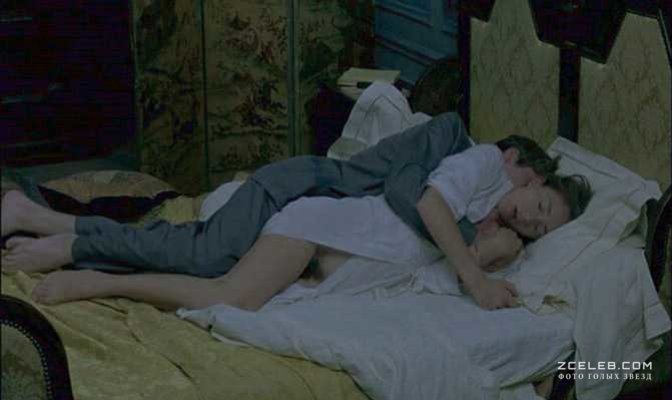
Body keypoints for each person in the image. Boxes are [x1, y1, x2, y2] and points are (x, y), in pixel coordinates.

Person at [1, 135, 592, 311]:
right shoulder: (479, 160)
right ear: (526, 173)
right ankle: (93, 273)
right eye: (538, 203)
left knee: (202, 259)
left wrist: (501, 246)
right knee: (219, 281)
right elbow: (428, 202)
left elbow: (448, 244)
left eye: (541, 228)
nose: (528, 217)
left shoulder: (486, 220)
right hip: (318, 219)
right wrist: (477, 277)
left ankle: (60, 232)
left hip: (330, 241)